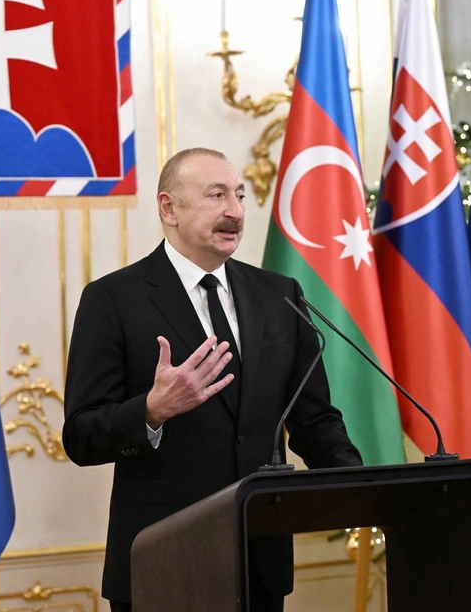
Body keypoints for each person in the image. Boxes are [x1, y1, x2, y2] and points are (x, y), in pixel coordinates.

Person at [63, 147, 362, 612]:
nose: (236, 212)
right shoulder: (112, 299)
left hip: (260, 560)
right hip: (162, 562)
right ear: (169, 208)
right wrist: (151, 411)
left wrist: (362, 486)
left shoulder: (279, 295)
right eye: (217, 195)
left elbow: (314, 420)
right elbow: (81, 436)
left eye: (240, 196)